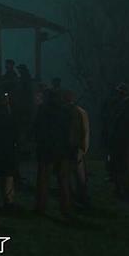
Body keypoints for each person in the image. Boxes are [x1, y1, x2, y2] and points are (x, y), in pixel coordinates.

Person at [33, 89, 79, 218]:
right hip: (62, 150)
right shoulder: (66, 111)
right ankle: (65, 209)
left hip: (46, 149)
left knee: (43, 180)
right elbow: (71, 132)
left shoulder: (43, 110)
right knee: (63, 181)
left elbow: (36, 128)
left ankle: (41, 207)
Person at [109, 82, 129, 199]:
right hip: (123, 138)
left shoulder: (126, 104)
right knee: (122, 163)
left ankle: (124, 187)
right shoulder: (123, 103)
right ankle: (123, 187)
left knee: (124, 163)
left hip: (124, 138)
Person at [0, 91, 19, 210]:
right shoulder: (7, 114)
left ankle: (7, 197)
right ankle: (8, 199)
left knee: (5, 174)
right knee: (8, 174)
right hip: (7, 147)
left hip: (1, 146)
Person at [64, 90, 90, 207]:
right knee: (74, 173)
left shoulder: (77, 112)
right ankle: (75, 195)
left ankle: (79, 196)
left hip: (74, 146)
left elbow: (85, 130)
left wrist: (83, 147)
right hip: (72, 146)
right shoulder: (76, 111)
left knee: (77, 173)